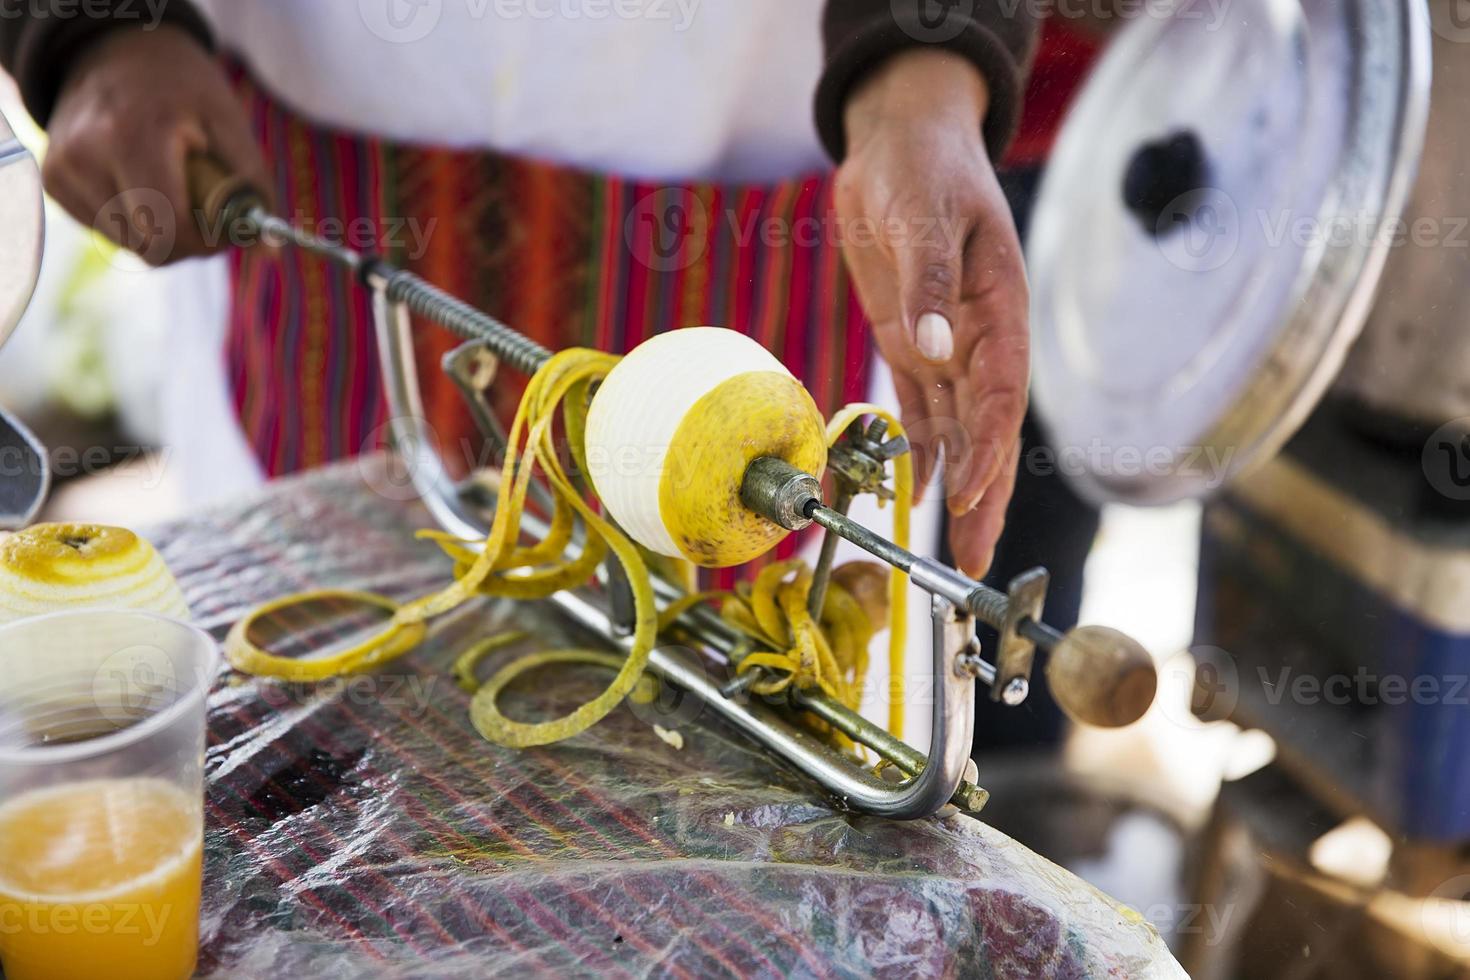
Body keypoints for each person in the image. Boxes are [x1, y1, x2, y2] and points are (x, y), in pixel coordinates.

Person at [2, 1, 1097, 747]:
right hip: (293, 163)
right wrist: (92, 24)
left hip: (763, 184)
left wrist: (925, 68)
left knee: (710, 757)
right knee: (316, 748)